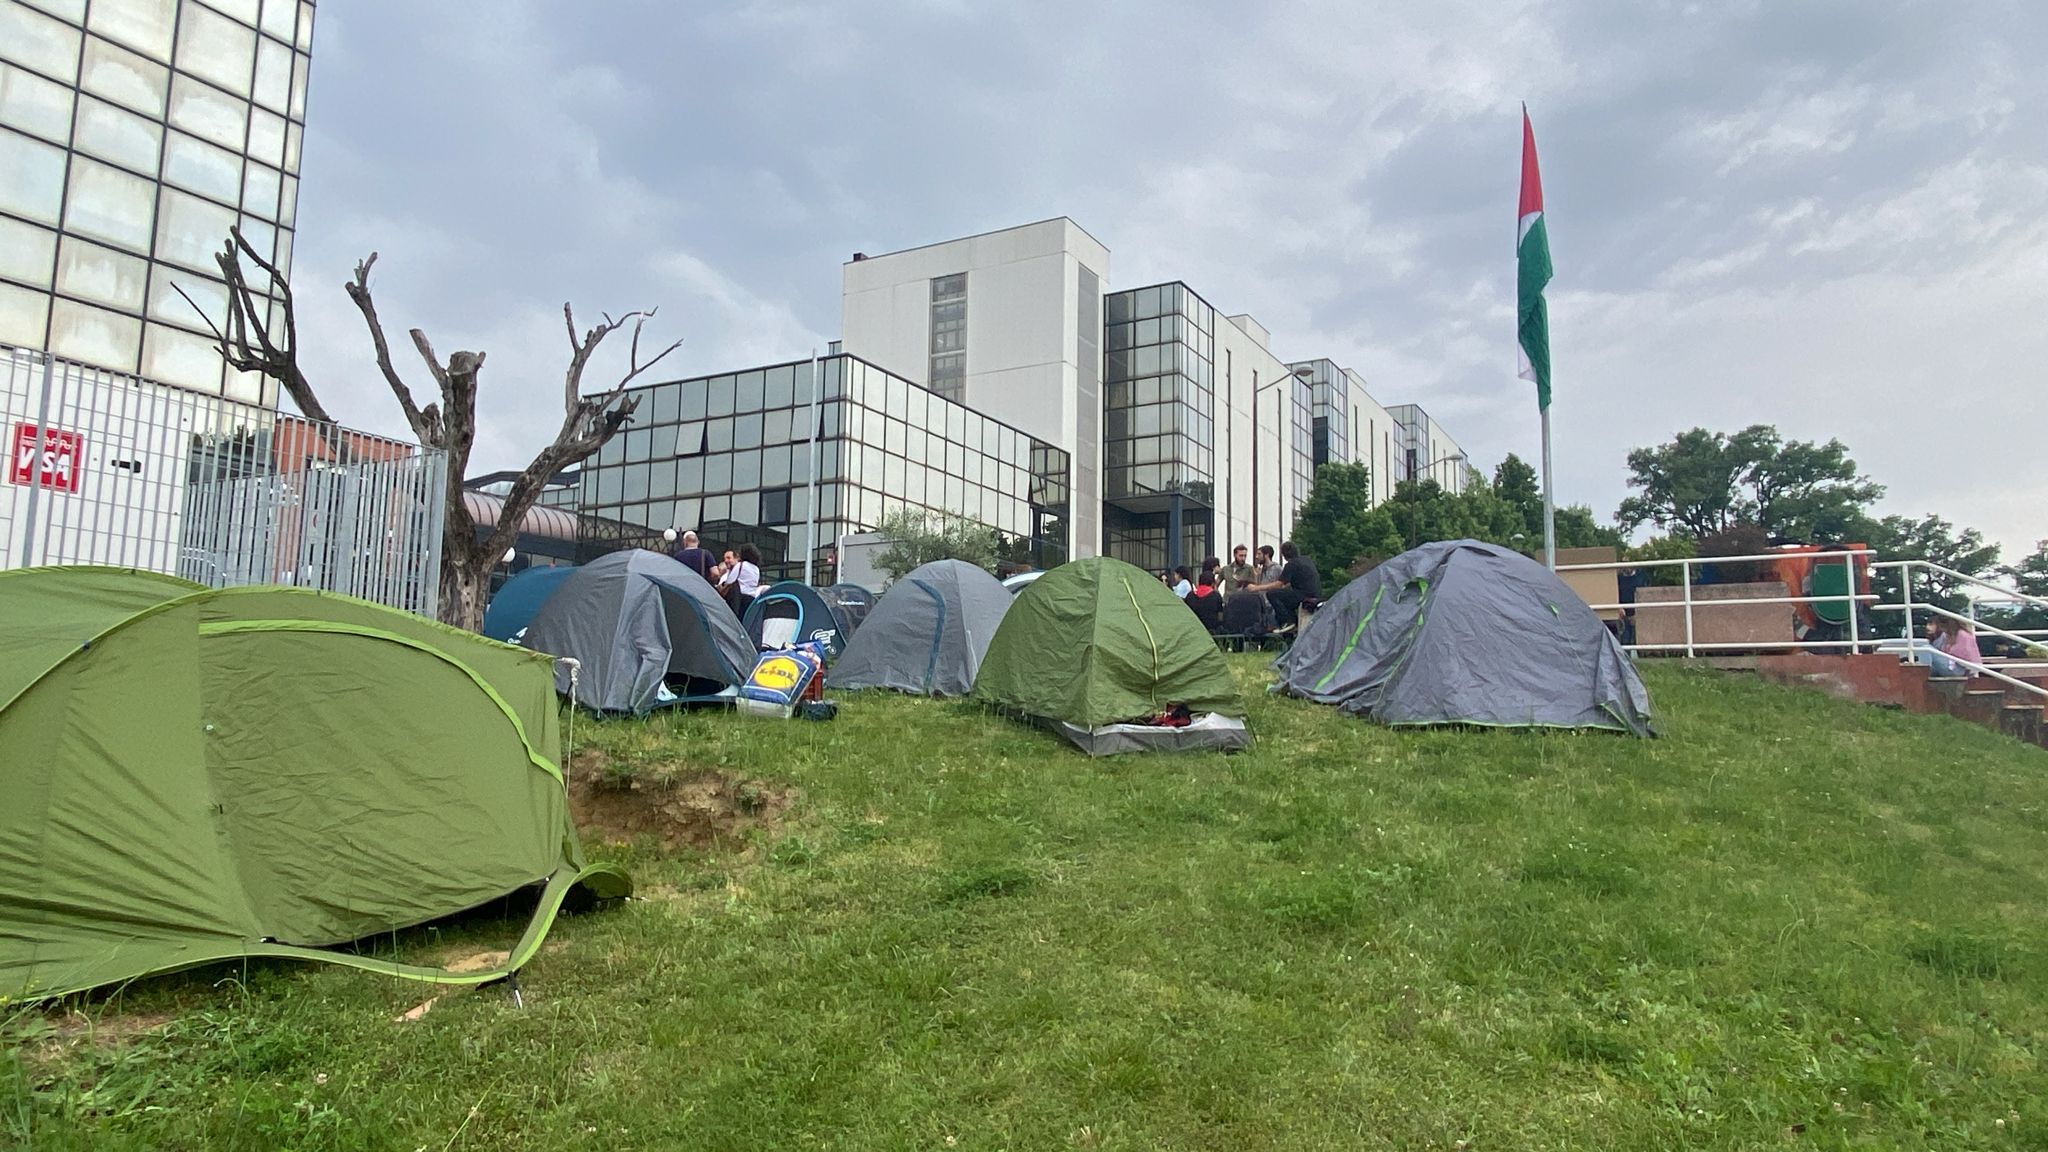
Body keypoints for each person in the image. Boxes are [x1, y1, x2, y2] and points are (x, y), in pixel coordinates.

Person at [1252, 541, 1321, 629]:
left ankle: (1288, 621)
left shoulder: (1291, 564)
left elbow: (1279, 585)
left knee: (1272, 594)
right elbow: (1289, 582)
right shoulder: (1306, 560)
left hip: (1303, 595)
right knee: (1285, 597)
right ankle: (1293, 621)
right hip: (1315, 593)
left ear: (1284, 554)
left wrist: (1256, 588)